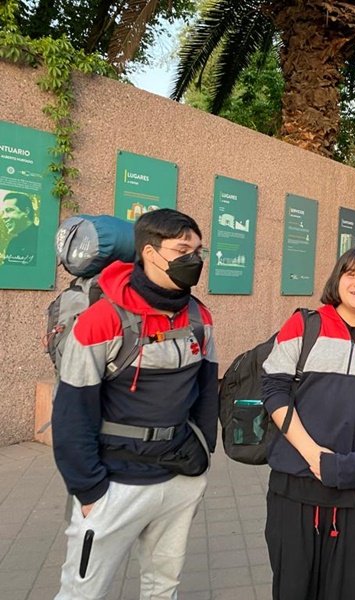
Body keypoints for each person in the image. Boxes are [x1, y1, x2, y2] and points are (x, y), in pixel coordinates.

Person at [51, 208, 218, 599]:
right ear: (149, 253)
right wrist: (89, 490)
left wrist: (200, 459)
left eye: (197, 251)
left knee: (163, 588)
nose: (193, 260)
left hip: (178, 478)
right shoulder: (101, 320)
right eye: (182, 251)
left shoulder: (200, 318)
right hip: (113, 485)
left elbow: (206, 392)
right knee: (81, 593)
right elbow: (72, 412)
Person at [262, 246, 355, 600]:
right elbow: (274, 391)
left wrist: (348, 468)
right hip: (294, 487)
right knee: (292, 589)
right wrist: (314, 456)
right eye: (351, 273)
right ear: (337, 279)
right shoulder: (304, 325)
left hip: (354, 494)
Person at [1, 191, 39, 266]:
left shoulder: (41, 237)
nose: (4, 217)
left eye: (9, 210)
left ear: (26, 211)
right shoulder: (13, 243)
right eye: (3, 212)